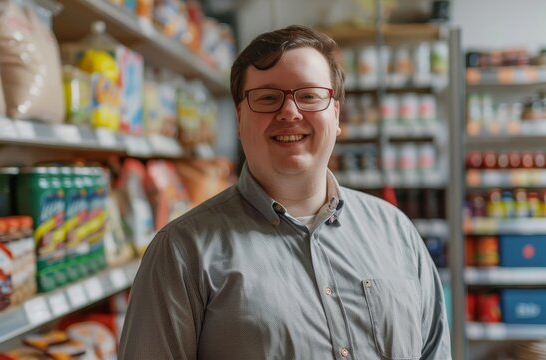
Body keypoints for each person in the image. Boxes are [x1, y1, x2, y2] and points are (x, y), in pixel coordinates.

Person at [118, 25, 451, 359]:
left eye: (309, 96)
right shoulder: (181, 252)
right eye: (267, 98)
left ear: (335, 115)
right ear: (238, 120)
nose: (289, 112)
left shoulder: (397, 233)